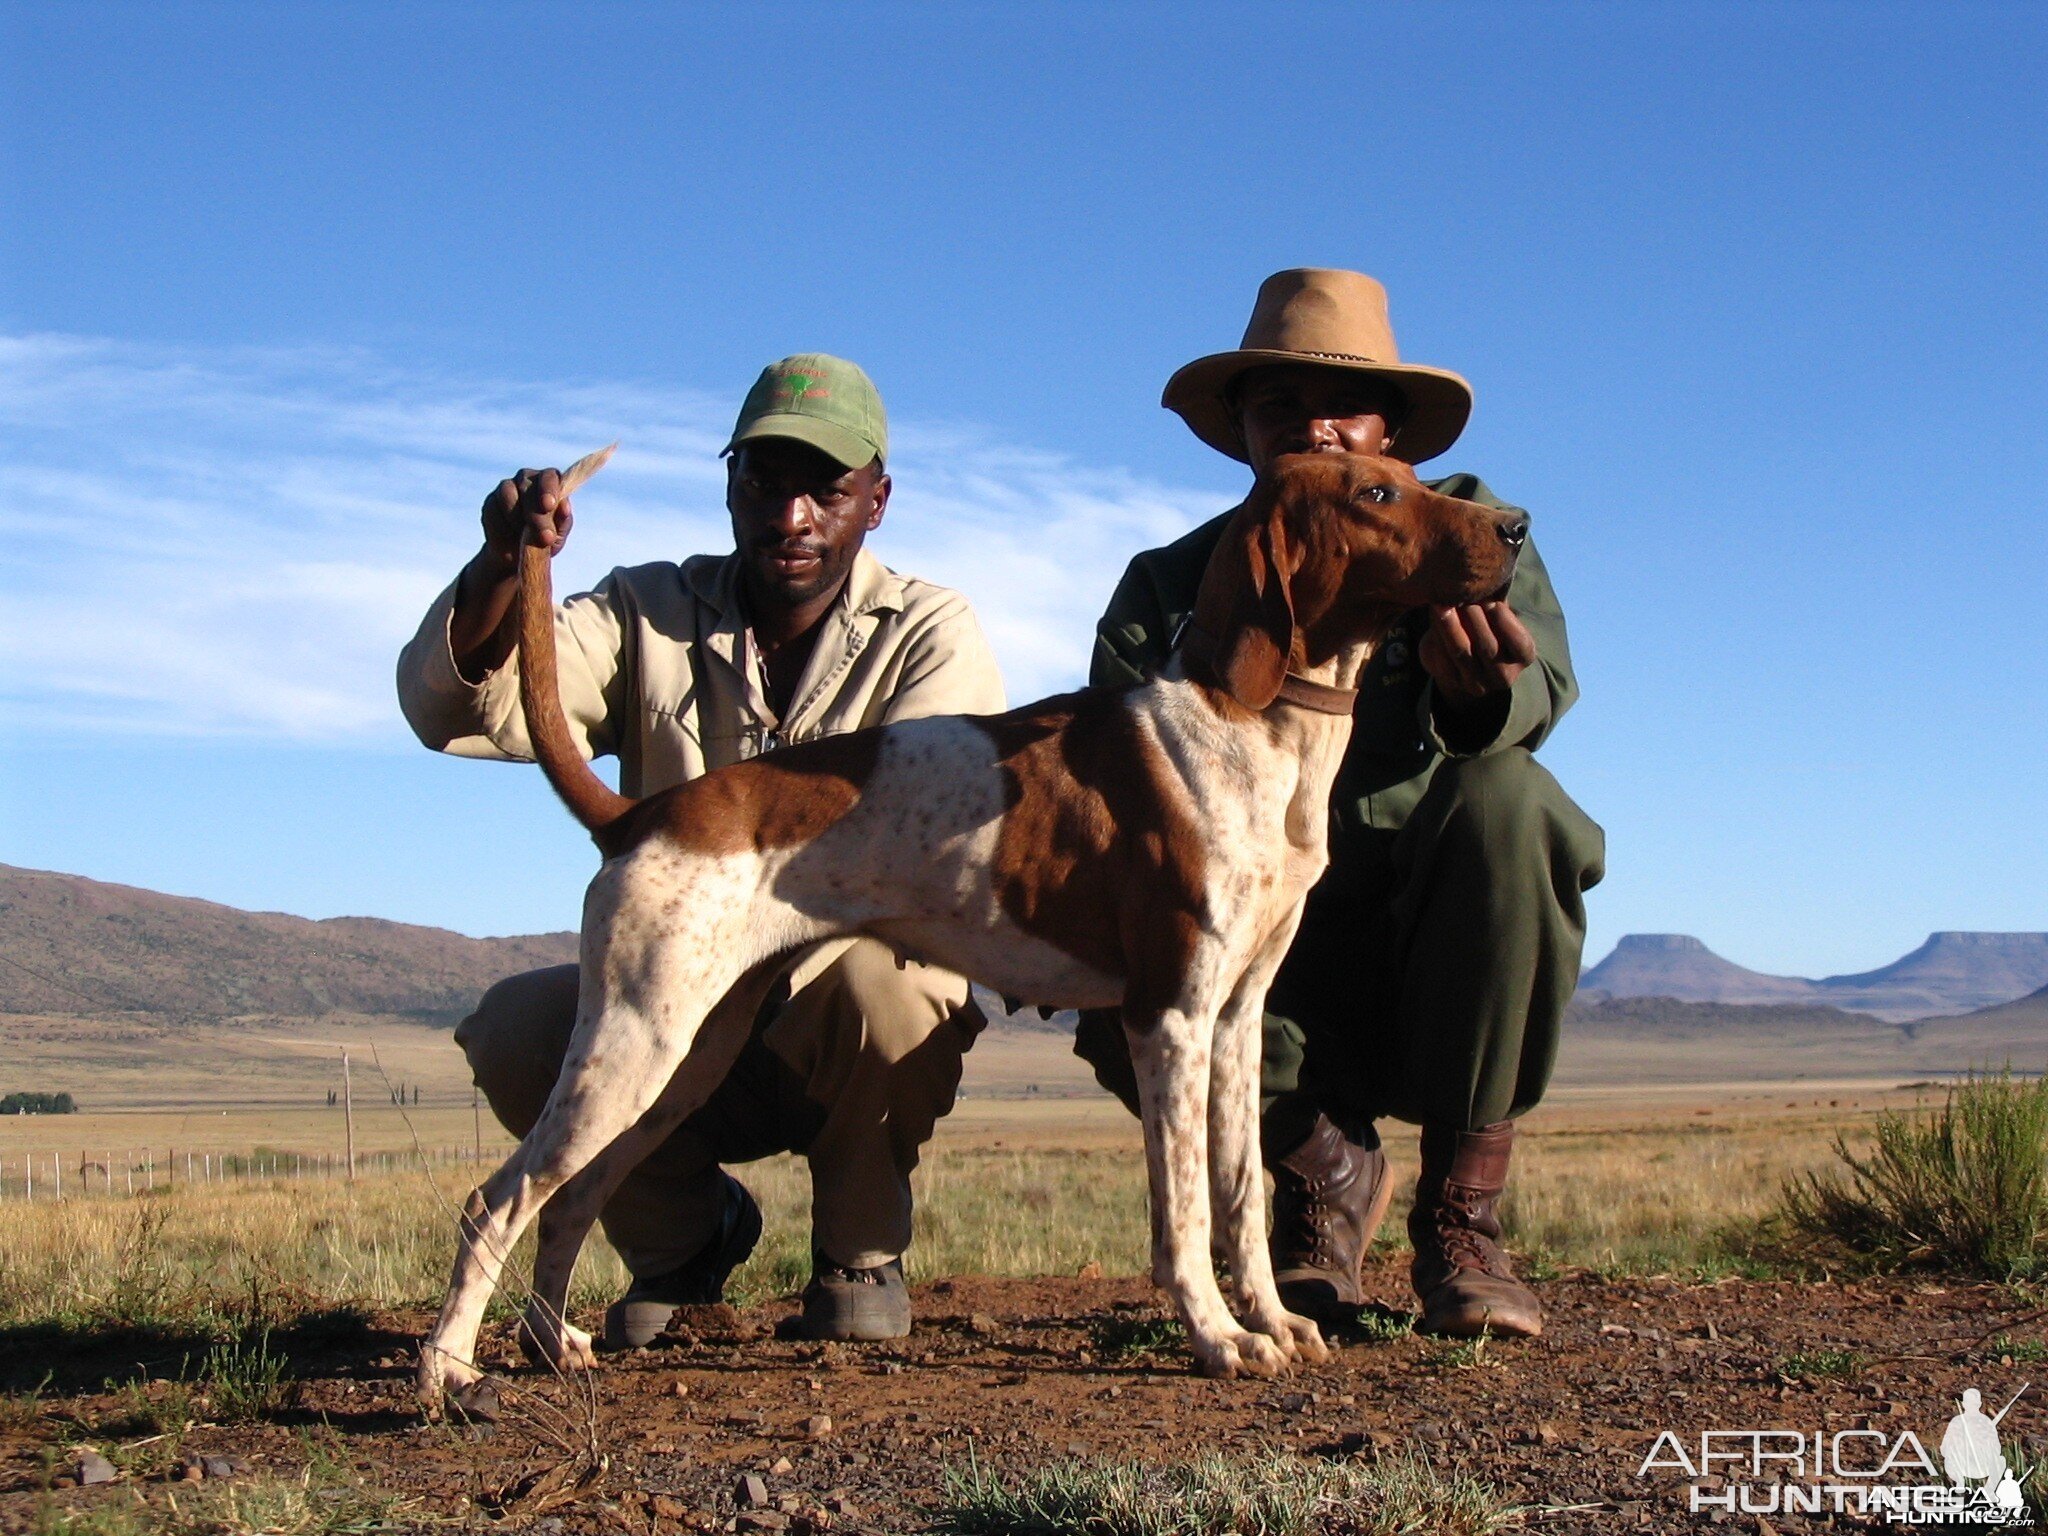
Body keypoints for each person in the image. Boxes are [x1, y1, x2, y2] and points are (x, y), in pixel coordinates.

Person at [397, 354, 1005, 1344]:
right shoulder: (642, 609)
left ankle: (857, 1253)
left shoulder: (932, 631)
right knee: (513, 1031)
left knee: (885, 990)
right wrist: (498, 573)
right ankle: (684, 1240)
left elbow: (930, 836)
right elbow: (462, 710)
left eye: (825, 488)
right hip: (670, 1000)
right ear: (729, 486)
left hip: (829, 1014)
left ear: (877, 501)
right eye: (764, 482)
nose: (790, 516)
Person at [1076, 269, 1605, 1338]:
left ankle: (1463, 1222)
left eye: (1344, 401)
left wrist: (1479, 701)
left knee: (1514, 806)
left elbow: (1538, 688)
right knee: (1106, 926)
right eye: (1278, 402)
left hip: (1425, 946)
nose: (1314, 422)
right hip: (1258, 954)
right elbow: (1110, 781)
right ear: (1243, 431)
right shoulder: (1171, 579)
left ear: (1391, 428)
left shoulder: (1467, 536)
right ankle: (1320, 1177)